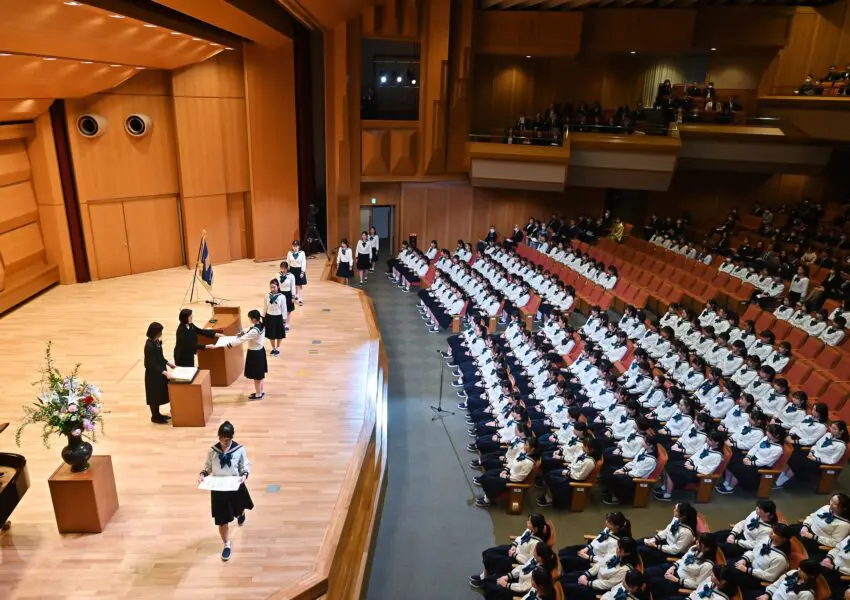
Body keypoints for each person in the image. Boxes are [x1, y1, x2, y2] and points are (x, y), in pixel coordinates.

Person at [198, 421, 254, 562]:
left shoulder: (240, 450)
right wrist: (203, 474)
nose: (224, 442)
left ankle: (240, 513)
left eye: (227, 440)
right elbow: (208, 466)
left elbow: (244, 465)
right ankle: (227, 544)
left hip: (235, 486)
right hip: (219, 490)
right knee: (222, 520)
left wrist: (244, 475)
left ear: (232, 437)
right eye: (221, 439)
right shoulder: (212, 451)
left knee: (238, 510)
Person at [226, 310, 267, 400]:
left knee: (257, 375)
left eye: (250, 318)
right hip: (259, 351)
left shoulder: (255, 331)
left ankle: (258, 394)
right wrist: (242, 332)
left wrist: (230, 344)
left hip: (255, 353)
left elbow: (244, 339)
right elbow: (249, 329)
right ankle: (260, 391)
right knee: (259, 374)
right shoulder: (260, 324)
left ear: (253, 319)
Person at [144, 322, 174, 424]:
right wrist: (165, 373)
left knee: (159, 394)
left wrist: (168, 363)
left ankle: (158, 414)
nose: (161, 333)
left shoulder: (156, 342)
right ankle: (154, 416)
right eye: (160, 332)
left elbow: (160, 357)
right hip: (153, 375)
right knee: (154, 396)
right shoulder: (149, 346)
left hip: (160, 372)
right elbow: (151, 364)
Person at [263, 279, 286, 357]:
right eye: (271, 287)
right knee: (271, 334)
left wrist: (284, 319)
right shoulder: (267, 296)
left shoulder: (282, 297)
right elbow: (265, 307)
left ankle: (278, 348)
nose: (272, 289)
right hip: (269, 317)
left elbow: (284, 309)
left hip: (278, 317)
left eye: (274, 287)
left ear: (278, 286)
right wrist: (263, 317)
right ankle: (273, 348)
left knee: (279, 334)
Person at [286, 241, 307, 305]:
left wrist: (302, 272)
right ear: (292, 246)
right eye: (294, 246)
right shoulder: (289, 253)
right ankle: (296, 296)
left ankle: (300, 299)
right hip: (292, 270)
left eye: (296, 246)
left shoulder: (302, 253)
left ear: (298, 246)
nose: (295, 247)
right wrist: (287, 271)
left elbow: (303, 262)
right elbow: (288, 262)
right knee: (294, 284)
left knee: (300, 285)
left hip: (299, 270)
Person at [277, 261, 296, 331]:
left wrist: (293, 297)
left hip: (288, 294)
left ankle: (287, 325)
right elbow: (276, 285)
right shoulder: (277, 275)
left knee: (288, 310)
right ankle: (282, 323)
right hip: (280, 293)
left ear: (287, 268)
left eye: (284, 268)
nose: (283, 270)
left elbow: (293, 287)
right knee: (280, 310)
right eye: (281, 268)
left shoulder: (291, 276)